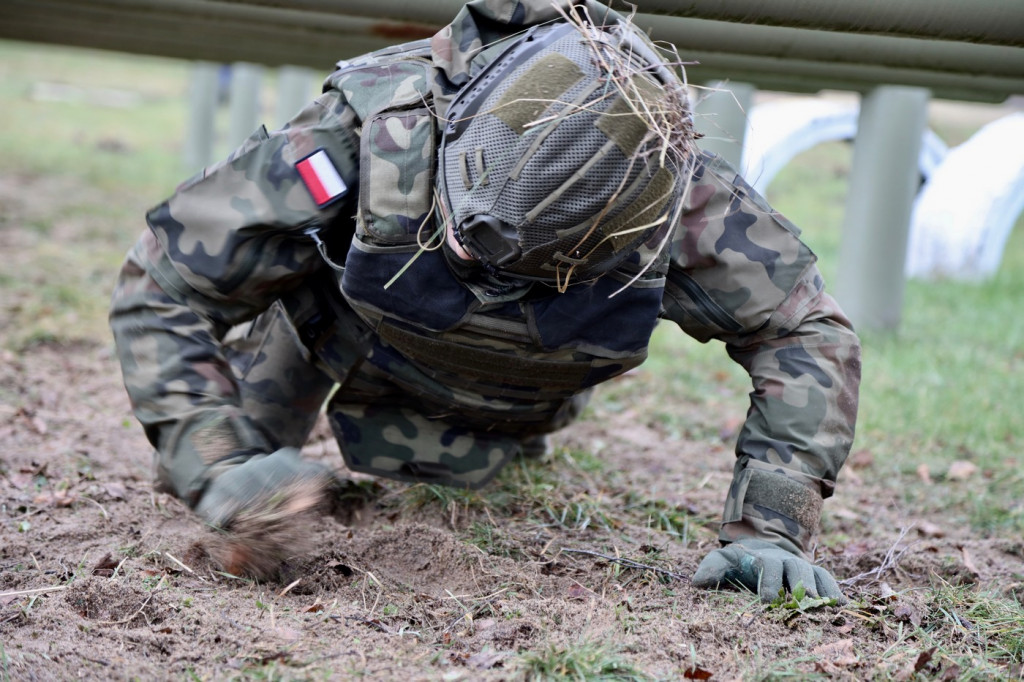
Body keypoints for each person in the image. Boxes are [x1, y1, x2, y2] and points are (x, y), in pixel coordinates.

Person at [110, 0, 860, 602]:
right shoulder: (372, 129)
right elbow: (167, 274)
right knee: (252, 405)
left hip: (521, 396)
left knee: (485, 455)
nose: (484, 268)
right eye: (471, 242)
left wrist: (771, 529)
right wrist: (212, 453)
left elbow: (806, 332)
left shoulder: (690, 202)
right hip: (339, 336)